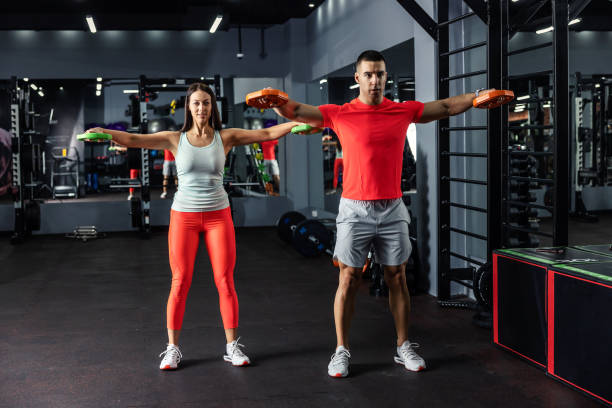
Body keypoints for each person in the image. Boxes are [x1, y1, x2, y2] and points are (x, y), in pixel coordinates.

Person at [270, 50, 495, 378]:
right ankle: (341, 350)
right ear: (357, 79)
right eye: (369, 74)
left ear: (385, 77)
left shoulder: (401, 111)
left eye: (380, 74)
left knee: (397, 277)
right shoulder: (339, 113)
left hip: (391, 207)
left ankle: (403, 346)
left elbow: (445, 106)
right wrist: (275, 102)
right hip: (354, 209)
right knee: (347, 278)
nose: (375, 80)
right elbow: (295, 109)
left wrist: (476, 98)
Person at [83, 83, 299, 371]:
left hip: (218, 216)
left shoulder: (226, 136)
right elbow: (135, 138)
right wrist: (105, 132)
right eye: (196, 103)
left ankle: (231, 347)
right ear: (189, 106)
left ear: (213, 107)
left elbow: (266, 133)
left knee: (225, 281)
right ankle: (172, 348)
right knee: (180, 281)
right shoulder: (175, 139)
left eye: (206, 103)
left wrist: (296, 125)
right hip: (183, 217)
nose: (201, 108)